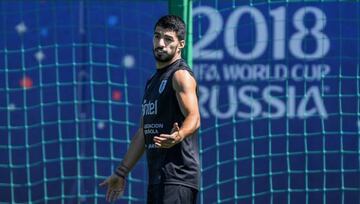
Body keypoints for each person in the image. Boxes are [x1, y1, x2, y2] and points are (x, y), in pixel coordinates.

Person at [99, 15, 201, 204]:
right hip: (158, 179)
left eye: (168, 39)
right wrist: (121, 172)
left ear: (181, 44)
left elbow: (194, 117)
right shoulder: (152, 82)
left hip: (179, 178)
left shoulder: (180, 75)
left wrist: (178, 136)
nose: (160, 43)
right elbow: (143, 132)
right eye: (157, 36)